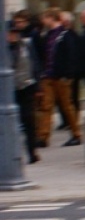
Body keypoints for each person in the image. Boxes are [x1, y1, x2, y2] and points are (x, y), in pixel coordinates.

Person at [38, 8, 81, 147]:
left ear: (52, 18)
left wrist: (68, 75)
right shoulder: (47, 35)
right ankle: (43, 136)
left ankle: (76, 134)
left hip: (61, 76)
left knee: (67, 106)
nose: (43, 21)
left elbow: (71, 55)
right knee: (46, 106)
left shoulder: (64, 34)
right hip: (48, 75)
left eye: (45, 18)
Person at [10, 20, 41, 164]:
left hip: (27, 87)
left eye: (15, 33)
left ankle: (32, 151)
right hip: (9, 91)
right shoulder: (4, 49)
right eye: (10, 33)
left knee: (29, 120)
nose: (12, 36)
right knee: (11, 123)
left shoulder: (26, 45)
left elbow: (35, 65)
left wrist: (38, 87)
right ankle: (13, 153)